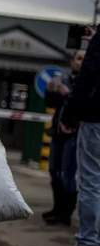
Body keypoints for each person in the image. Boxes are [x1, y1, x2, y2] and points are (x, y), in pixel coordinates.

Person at [55, 29, 100, 246]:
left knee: (91, 180)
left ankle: (88, 245)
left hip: (96, 119)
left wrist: (70, 114)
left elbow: (89, 74)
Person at [42, 50, 85, 226]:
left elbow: (80, 106)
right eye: (78, 58)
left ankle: (65, 214)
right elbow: (51, 104)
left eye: (83, 59)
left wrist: (67, 93)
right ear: (72, 61)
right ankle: (57, 208)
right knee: (54, 171)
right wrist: (51, 91)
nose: (80, 62)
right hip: (58, 133)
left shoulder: (87, 83)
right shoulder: (64, 79)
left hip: (74, 134)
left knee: (68, 174)